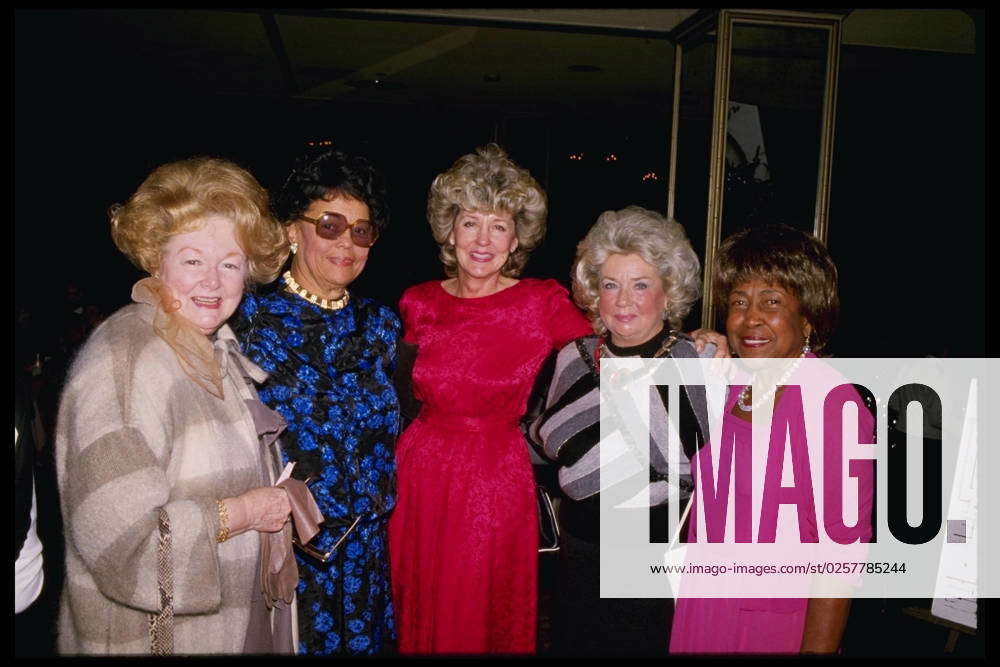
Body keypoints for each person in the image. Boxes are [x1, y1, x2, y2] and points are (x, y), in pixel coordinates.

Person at [55, 157, 295, 654]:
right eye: (192, 260)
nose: (213, 281)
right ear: (155, 257)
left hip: (226, 626)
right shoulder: (126, 360)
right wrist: (244, 512)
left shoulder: (205, 345)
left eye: (229, 263)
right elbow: (124, 543)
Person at [388, 143, 592, 654]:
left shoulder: (541, 301)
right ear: (449, 230)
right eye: (471, 223)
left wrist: (691, 344)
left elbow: (608, 353)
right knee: (418, 595)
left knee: (481, 604)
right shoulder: (418, 300)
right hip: (420, 471)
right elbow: (401, 395)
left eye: (498, 225)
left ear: (516, 237)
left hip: (493, 475)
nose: (483, 240)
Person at [669, 224, 873, 654]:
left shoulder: (832, 404)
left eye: (772, 301)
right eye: (739, 302)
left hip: (771, 624)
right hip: (703, 605)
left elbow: (840, 558)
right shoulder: (728, 382)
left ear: (808, 317)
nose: (750, 318)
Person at [231, 148, 400, 656]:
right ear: (290, 230)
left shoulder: (382, 326)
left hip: (368, 553)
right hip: (286, 550)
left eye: (361, 230)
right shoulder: (246, 322)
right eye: (329, 225)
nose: (347, 242)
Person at [529, 206, 714, 655]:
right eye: (610, 284)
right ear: (594, 293)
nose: (623, 300)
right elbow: (536, 446)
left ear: (668, 293)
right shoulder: (572, 358)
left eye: (641, 284)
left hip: (657, 561)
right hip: (578, 557)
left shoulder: (700, 363)